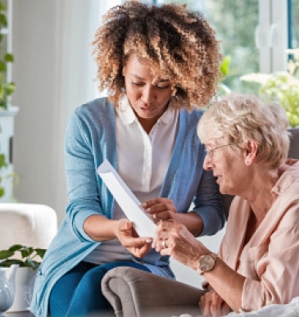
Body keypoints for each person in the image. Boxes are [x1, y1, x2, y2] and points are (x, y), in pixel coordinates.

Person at [30, 1, 226, 316]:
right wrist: (116, 229)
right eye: (138, 83)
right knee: (83, 292)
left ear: (180, 78)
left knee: (98, 284)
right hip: (76, 260)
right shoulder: (88, 122)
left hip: (145, 263)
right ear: (121, 67)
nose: (148, 97)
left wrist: (175, 221)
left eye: (162, 85)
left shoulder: (197, 129)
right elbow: (80, 209)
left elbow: (213, 213)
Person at [153, 94, 299, 316]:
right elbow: (225, 278)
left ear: (249, 151)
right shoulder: (241, 204)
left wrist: (198, 257)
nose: (206, 164)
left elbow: (274, 307)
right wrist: (217, 292)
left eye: (212, 150)